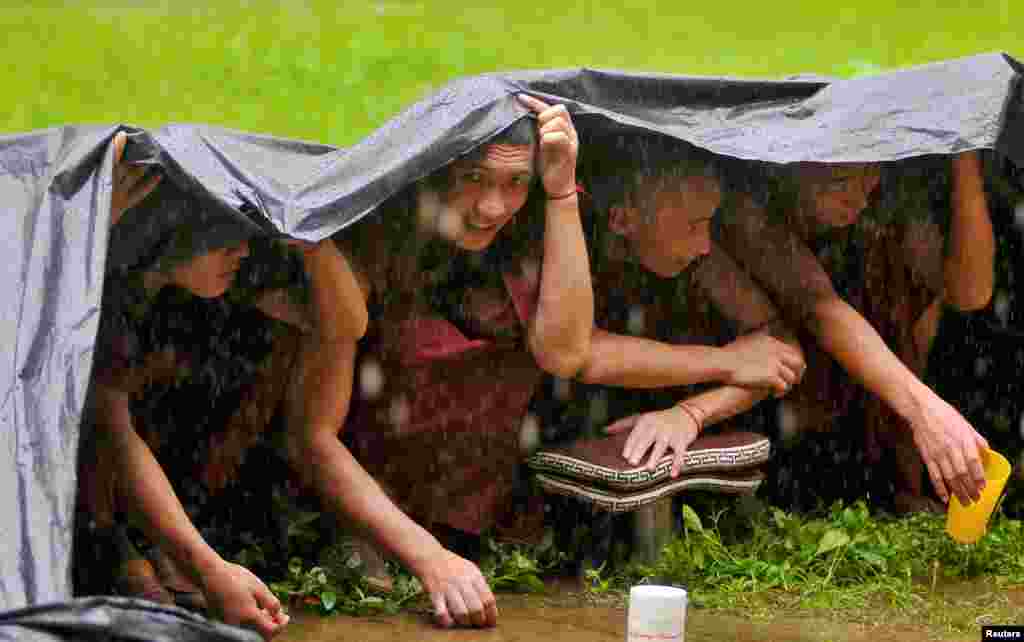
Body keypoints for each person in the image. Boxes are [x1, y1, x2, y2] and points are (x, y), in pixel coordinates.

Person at [286, 93, 593, 629]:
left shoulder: (522, 232)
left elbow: (565, 353)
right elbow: (313, 434)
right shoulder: (373, 238)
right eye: (473, 178)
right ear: (432, 169)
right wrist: (428, 558)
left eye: (514, 183)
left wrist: (561, 191)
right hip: (366, 513)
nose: (492, 207)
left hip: (476, 513)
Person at [80, 132, 367, 640]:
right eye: (221, 236)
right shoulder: (117, 288)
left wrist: (306, 234)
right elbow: (112, 435)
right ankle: (122, 551)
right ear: (171, 228)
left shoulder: (231, 271)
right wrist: (207, 569)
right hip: (92, 489)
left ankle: (160, 551)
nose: (240, 249)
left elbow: (344, 326)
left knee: (258, 355)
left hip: (184, 467)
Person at [715, 152, 995, 512]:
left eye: (870, 177)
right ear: (787, 167)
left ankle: (897, 487)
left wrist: (965, 152)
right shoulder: (745, 205)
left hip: (879, 440)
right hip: (780, 430)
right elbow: (818, 306)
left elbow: (971, 293)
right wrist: (924, 410)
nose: (860, 197)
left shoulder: (887, 208)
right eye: (840, 182)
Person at [554, 133, 806, 473]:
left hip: (686, 425)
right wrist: (728, 361)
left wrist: (694, 413)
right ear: (623, 221)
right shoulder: (570, 247)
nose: (706, 245)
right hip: (575, 427)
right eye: (693, 227)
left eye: (709, 223)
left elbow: (781, 349)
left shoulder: (695, 256)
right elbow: (583, 354)